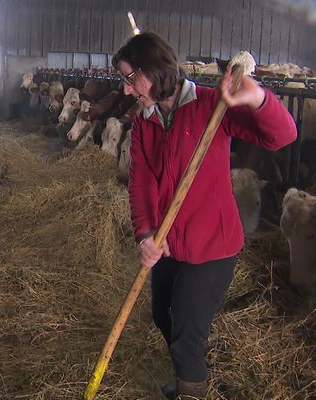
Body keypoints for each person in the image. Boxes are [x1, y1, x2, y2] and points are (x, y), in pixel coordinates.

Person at [112, 32, 297, 399]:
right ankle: (186, 374)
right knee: (163, 316)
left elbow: (283, 136)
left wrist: (258, 98)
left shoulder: (213, 106)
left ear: (153, 70)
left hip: (212, 244)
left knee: (186, 327)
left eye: (130, 79)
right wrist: (145, 234)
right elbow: (141, 185)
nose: (127, 90)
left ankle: (191, 390)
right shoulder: (145, 123)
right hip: (167, 241)